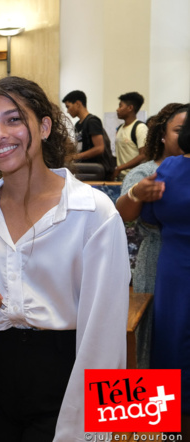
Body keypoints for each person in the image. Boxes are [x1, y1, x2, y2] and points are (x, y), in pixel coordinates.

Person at [0, 76, 129, 442]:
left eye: (14, 119)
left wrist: (95, 429)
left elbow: (104, 331)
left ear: (45, 127)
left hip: (64, 368)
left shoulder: (92, 212)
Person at [140, 108, 190, 440]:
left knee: (173, 341)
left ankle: (166, 429)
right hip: (172, 264)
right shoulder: (161, 169)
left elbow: (149, 217)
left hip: (174, 264)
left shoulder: (168, 169)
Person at [116, 103, 188, 294]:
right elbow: (123, 214)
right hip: (156, 262)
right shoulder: (146, 172)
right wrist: (137, 193)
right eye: (179, 130)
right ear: (162, 135)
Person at [63, 90, 115, 179]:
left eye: (68, 106)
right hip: (85, 168)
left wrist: (74, 157)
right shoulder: (77, 125)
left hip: (96, 171)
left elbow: (99, 148)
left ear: (78, 104)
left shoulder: (92, 121)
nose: (67, 111)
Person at [114, 92, 148, 180]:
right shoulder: (120, 128)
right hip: (120, 177)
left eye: (120, 106)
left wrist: (121, 168)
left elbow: (143, 155)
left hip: (135, 177)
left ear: (130, 108)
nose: (117, 109)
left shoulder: (140, 128)